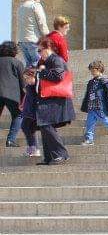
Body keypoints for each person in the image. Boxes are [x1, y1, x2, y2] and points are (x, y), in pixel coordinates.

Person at [21, 37, 75, 165]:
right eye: (38, 51)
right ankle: (50, 157)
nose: (39, 53)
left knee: (46, 125)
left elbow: (58, 76)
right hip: (46, 100)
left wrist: (42, 72)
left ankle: (61, 154)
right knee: (44, 125)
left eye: (40, 50)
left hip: (55, 100)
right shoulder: (43, 61)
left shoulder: (56, 59)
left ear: (48, 48)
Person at [80, 59, 108, 145]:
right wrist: (85, 105)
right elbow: (88, 94)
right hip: (92, 106)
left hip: (99, 106)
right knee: (89, 122)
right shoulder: (91, 82)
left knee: (104, 120)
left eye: (93, 70)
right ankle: (89, 139)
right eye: (91, 70)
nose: (92, 72)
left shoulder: (105, 81)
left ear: (99, 69)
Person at [0, 42, 25, 148]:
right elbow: (22, 82)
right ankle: (10, 140)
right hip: (12, 95)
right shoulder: (17, 63)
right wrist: (24, 97)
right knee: (18, 115)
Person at [17, 0, 48, 68]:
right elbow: (41, 22)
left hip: (22, 40)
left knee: (29, 65)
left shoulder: (21, 7)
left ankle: (27, 80)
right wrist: (47, 37)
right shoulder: (35, 5)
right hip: (33, 39)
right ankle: (36, 80)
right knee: (38, 64)